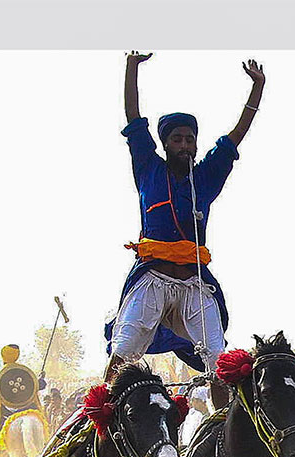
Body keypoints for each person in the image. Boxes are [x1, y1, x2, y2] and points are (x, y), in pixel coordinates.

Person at [104, 51, 266, 387]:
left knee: (221, 364)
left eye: (189, 139)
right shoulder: (148, 168)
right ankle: (99, 427)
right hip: (152, 280)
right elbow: (134, 117)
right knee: (121, 355)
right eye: (177, 139)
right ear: (165, 144)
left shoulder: (206, 176)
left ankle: (226, 430)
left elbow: (236, 136)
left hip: (194, 283)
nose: (184, 144)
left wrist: (257, 89)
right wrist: (131, 67)